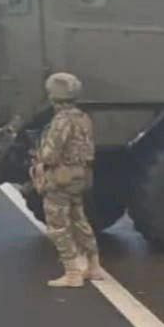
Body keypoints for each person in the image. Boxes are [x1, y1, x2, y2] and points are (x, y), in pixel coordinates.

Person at [31, 72, 103, 287]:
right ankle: (94, 266)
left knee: (57, 225)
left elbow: (50, 155)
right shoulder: (83, 118)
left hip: (60, 179)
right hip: (79, 175)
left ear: (53, 96)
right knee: (79, 219)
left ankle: (72, 273)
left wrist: (38, 157)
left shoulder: (61, 121)